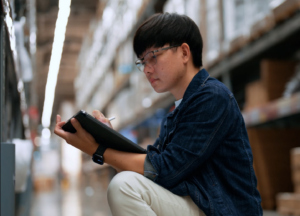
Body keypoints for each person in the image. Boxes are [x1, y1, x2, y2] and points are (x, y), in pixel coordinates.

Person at [54, 13, 263, 216]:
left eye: (153, 57)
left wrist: (98, 150)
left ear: (184, 52)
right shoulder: (176, 114)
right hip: (202, 205)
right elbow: (152, 172)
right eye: (143, 62)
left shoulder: (212, 97)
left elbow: (165, 171)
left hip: (223, 210)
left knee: (123, 186)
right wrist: (108, 138)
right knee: (127, 182)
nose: (147, 69)